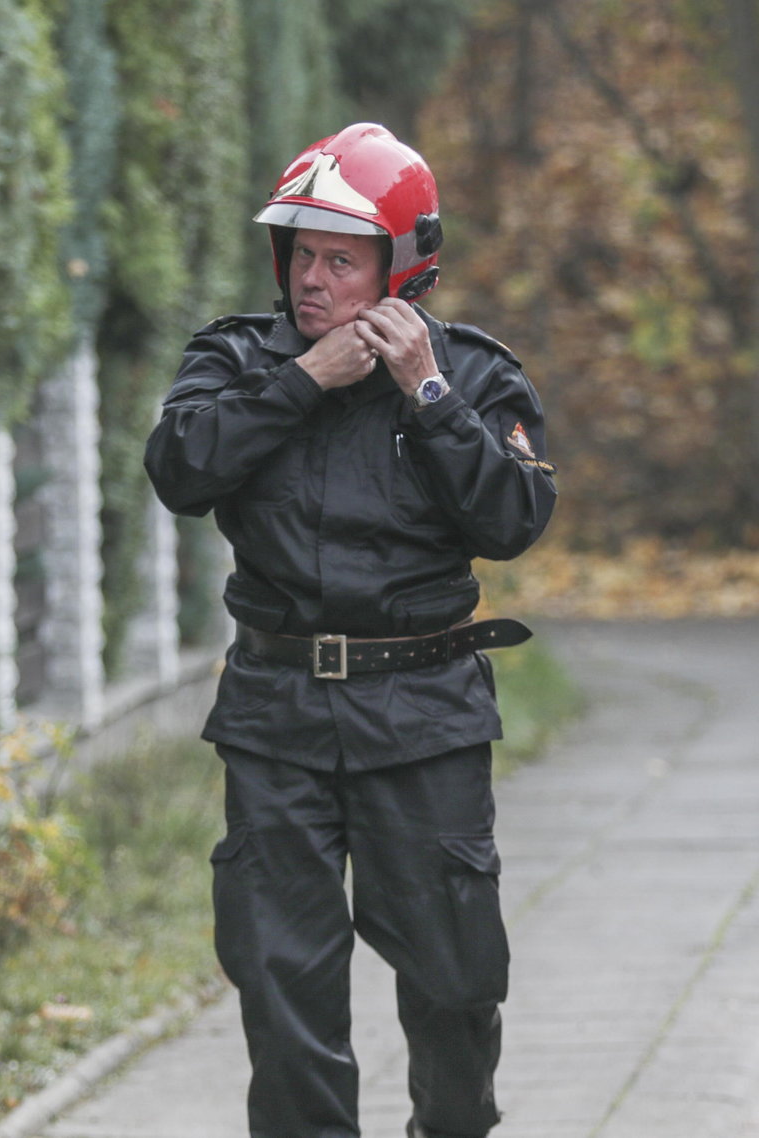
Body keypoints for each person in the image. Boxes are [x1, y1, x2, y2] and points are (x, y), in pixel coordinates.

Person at [144, 122, 556, 1138]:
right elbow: (181, 469)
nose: (311, 280)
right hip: (276, 711)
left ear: (402, 265)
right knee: (283, 989)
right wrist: (302, 381)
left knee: (458, 982)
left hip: (425, 711)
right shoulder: (238, 358)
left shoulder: (470, 373)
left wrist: (426, 392)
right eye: (300, 253)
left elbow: (514, 520)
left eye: (341, 258)